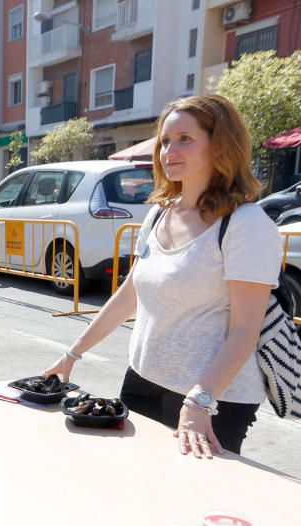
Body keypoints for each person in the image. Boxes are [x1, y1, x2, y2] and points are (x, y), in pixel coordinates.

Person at [42, 94, 282, 458]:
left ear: (220, 145)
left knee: (192, 501)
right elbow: (128, 295)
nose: (169, 150)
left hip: (215, 397)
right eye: (166, 140)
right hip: (143, 378)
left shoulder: (246, 224)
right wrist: (71, 354)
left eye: (185, 139)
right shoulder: (158, 215)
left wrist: (200, 402)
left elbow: (245, 332)